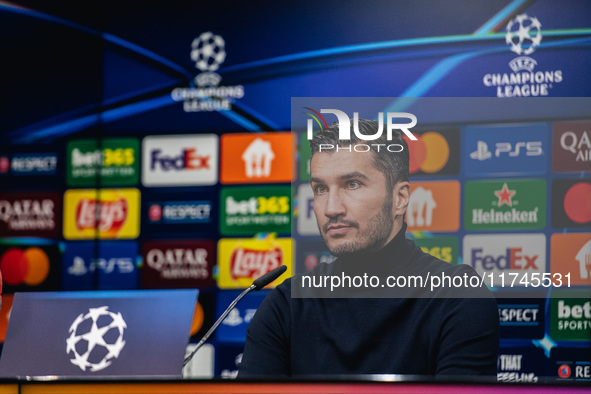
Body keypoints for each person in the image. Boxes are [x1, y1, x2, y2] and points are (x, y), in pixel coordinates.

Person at [238, 119, 499, 377]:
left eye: (352, 184)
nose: (331, 208)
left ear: (400, 198)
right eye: (320, 189)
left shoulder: (457, 297)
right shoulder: (288, 303)